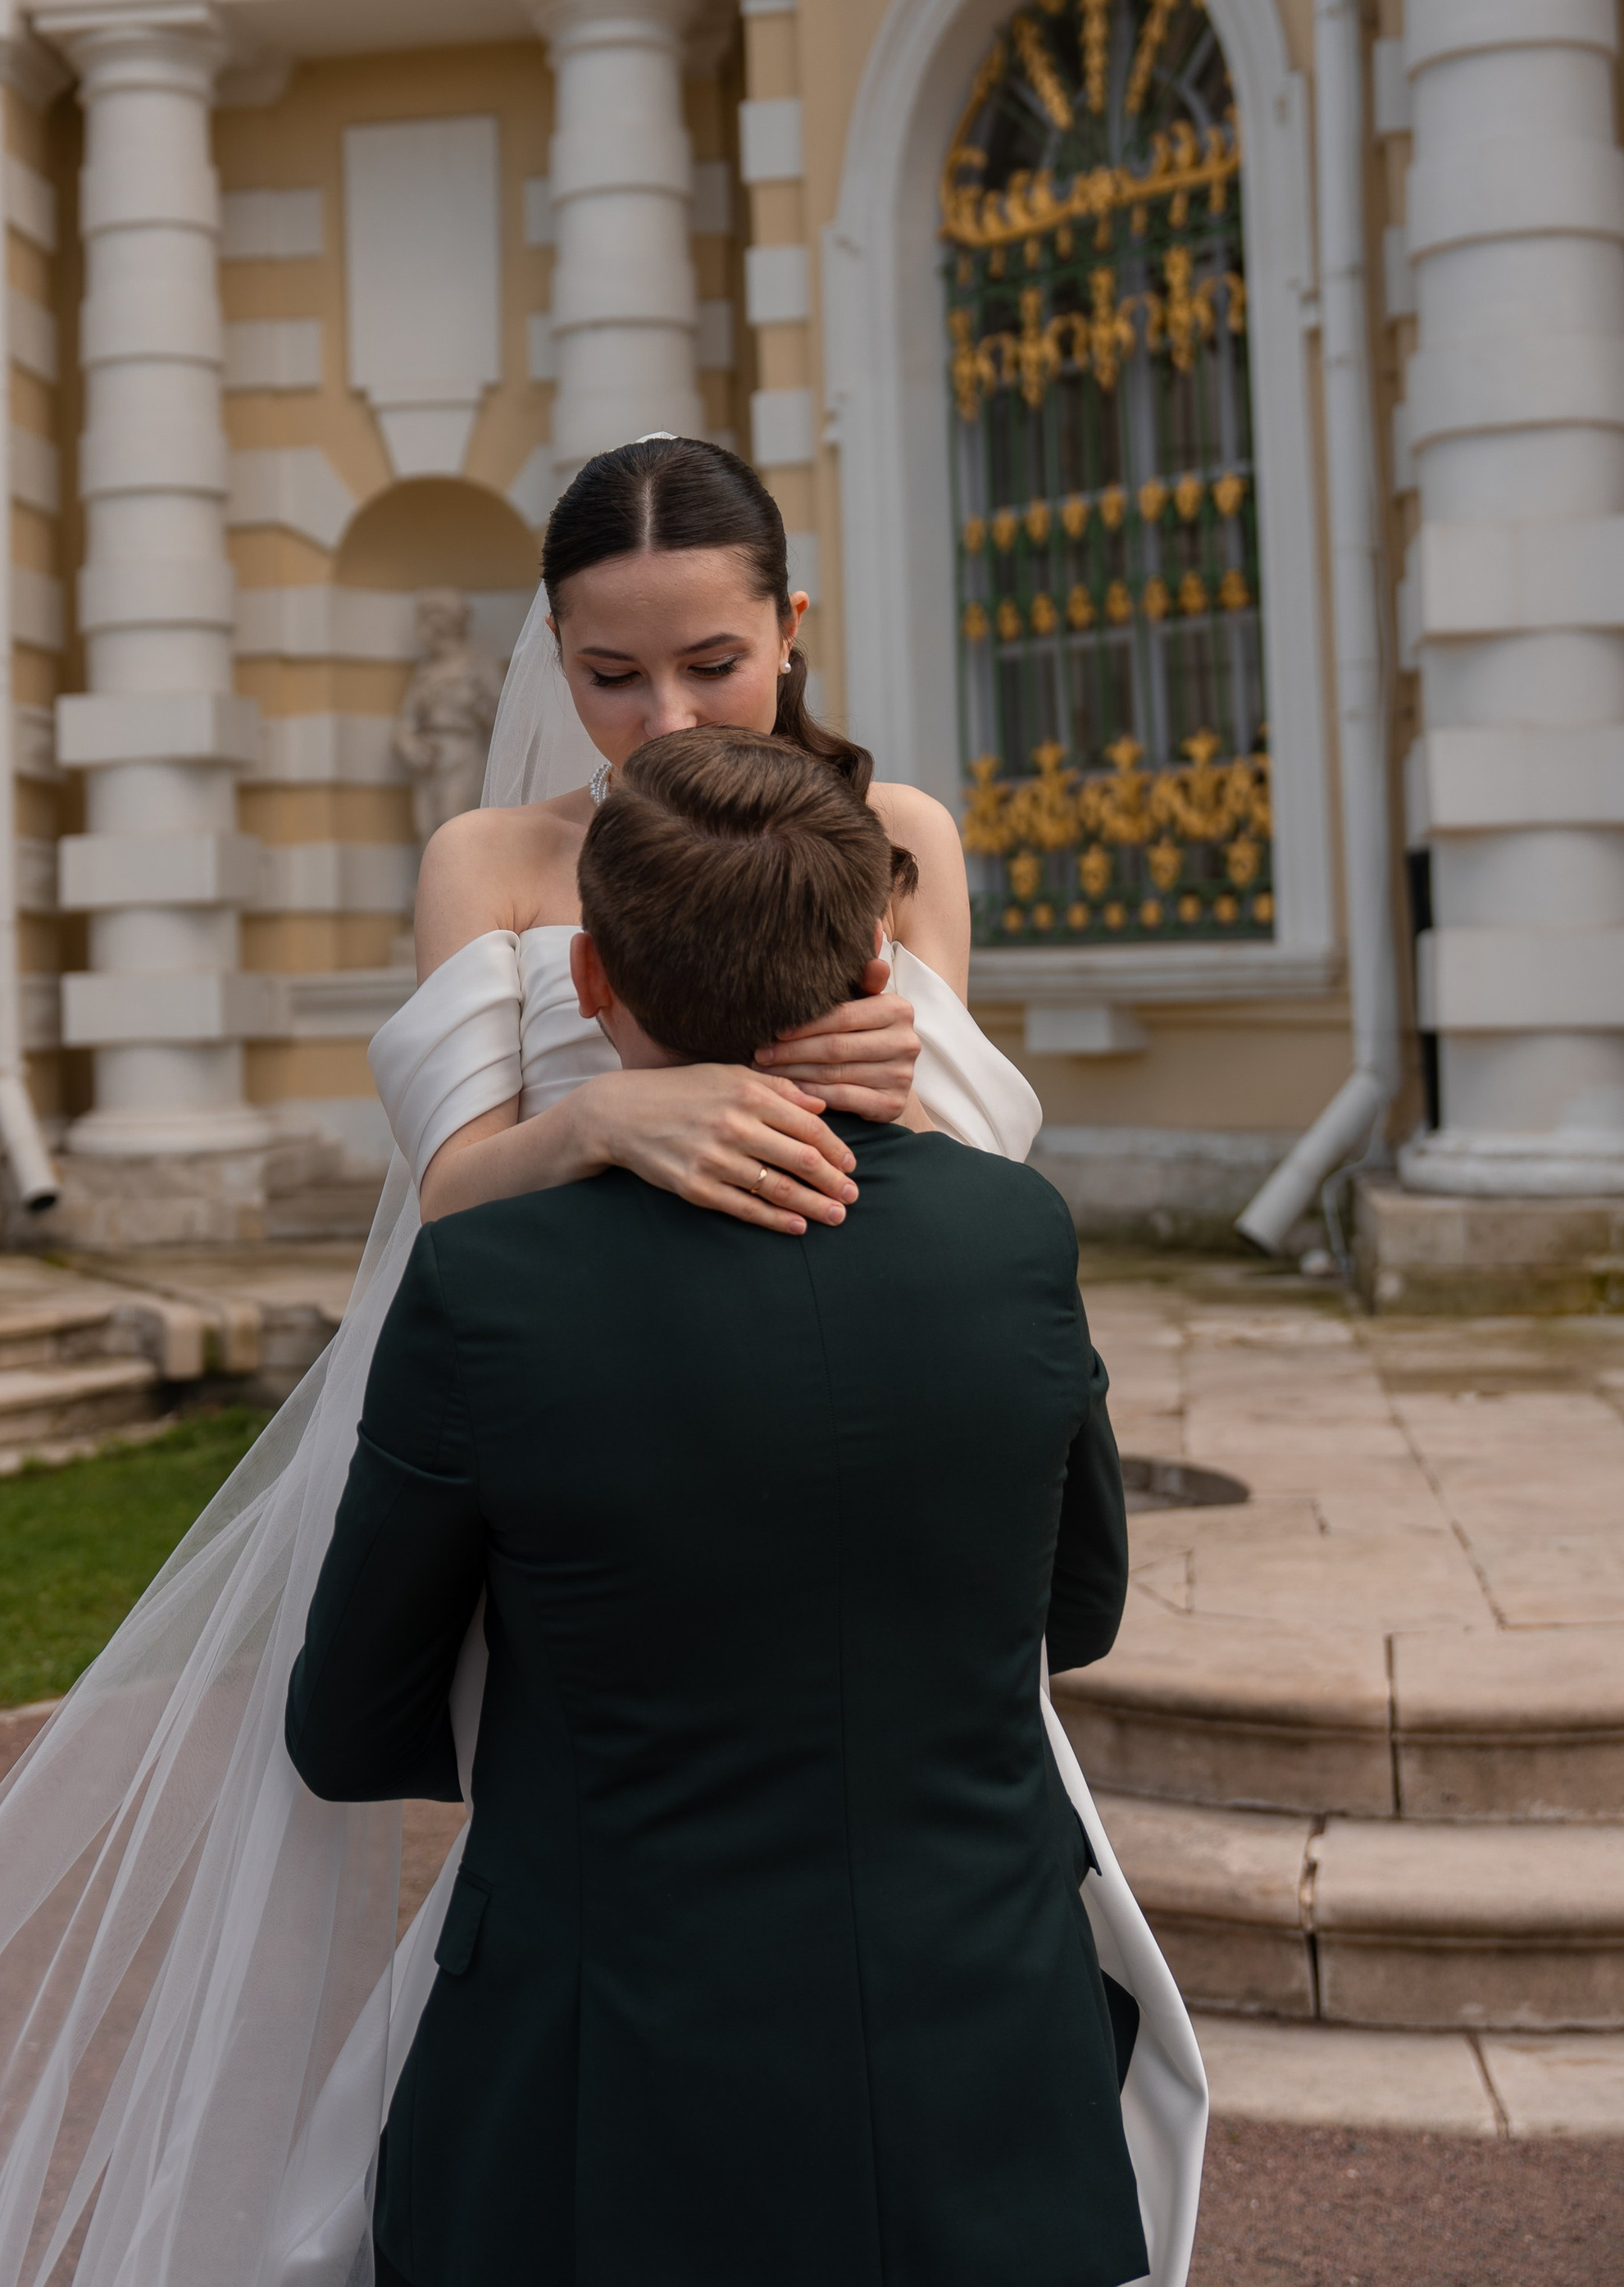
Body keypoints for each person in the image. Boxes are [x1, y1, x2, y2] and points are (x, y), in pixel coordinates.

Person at [0, 436, 1196, 2287]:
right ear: (551, 654)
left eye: (709, 664)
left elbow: (963, 1169)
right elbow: (445, 1191)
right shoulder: (494, 860)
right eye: (608, 673)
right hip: (601, 1444)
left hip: (861, 1452)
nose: (658, 714)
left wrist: (886, 1092)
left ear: (788, 628)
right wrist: (607, 1121)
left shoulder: (905, 842)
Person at [287, 728, 1155, 2287]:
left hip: (604, 2097)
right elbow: (1077, 1609)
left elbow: (352, 1724)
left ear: (590, 980)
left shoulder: (489, 1284)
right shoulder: (1015, 1232)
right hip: (982, 2082)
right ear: (877, 967)